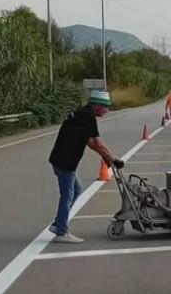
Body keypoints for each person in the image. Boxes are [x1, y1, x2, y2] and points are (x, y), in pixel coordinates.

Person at [47, 90, 124, 243]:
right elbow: (97, 143)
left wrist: (107, 158)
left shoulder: (82, 113)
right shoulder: (87, 116)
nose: (106, 110)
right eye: (104, 106)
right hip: (65, 160)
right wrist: (113, 159)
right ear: (96, 105)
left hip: (61, 158)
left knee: (76, 191)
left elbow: (90, 142)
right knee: (68, 195)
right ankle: (61, 231)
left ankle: (58, 223)